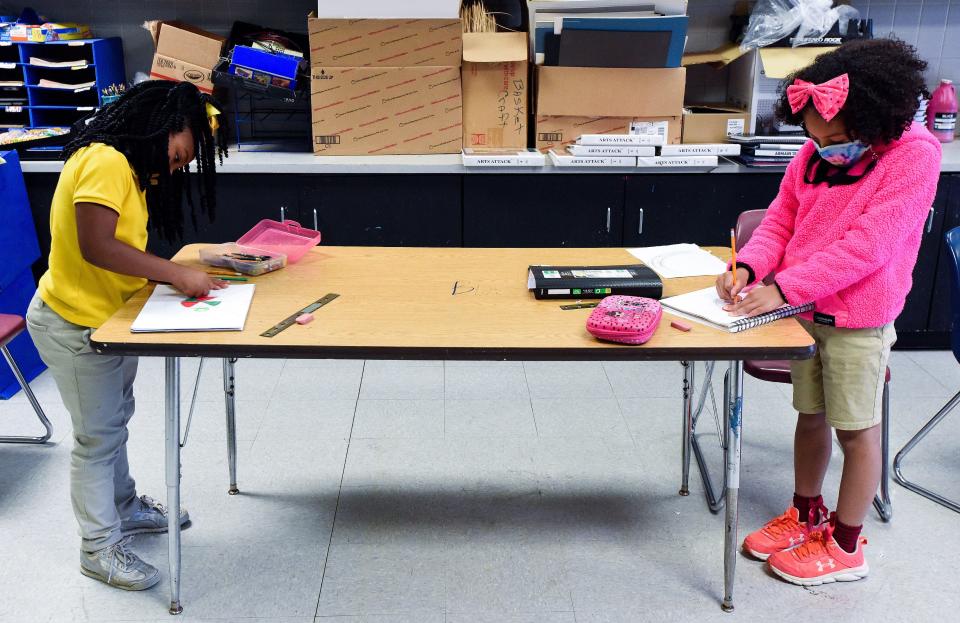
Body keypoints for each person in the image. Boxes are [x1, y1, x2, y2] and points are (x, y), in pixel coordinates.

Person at [715, 39, 941, 586]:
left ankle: (845, 544)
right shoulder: (815, 151)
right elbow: (781, 218)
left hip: (859, 318)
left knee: (857, 431)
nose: (823, 150)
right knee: (810, 414)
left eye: (836, 141)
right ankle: (806, 512)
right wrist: (749, 267)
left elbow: (868, 246)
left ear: (873, 120)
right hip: (806, 311)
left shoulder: (914, 155)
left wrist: (785, 287)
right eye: (814, 139)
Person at [25, 80, 229, 591]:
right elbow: (96, 246)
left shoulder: (130, 167)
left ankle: (123, 506)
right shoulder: (105, 161)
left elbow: (124, 246)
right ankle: (98, 548)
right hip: (73, 322)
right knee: (97, 438)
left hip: (108, 321)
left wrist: (191, 263)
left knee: (115, 422)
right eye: (182, 153)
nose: (179, 167)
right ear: (163, 125)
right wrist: (175, 274)